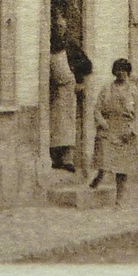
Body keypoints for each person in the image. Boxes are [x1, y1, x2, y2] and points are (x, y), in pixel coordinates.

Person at [88, 57, 138, 203]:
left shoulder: (134, 91)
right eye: (118, 70)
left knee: (122, 168)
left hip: (125, 130)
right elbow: (97, 109)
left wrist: (132, 130)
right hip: (109, 127)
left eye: (124, 71)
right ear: (114, 72)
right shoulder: (106, 89)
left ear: (128, 73)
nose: (121, 73)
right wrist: (103, 122)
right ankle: (100, 176)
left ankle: (119, 198)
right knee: (104, 158)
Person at [47, 13, 90, 172]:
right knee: (54, 123)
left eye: (62, 27)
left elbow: (85, 65)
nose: (60, 30)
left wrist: (79, 81)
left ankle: (68, 158)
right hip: (52, 90)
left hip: (67, 90)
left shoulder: (70, 45)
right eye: (57, 27)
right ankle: (55, 157)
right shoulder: (48, 44)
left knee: (67, 123)